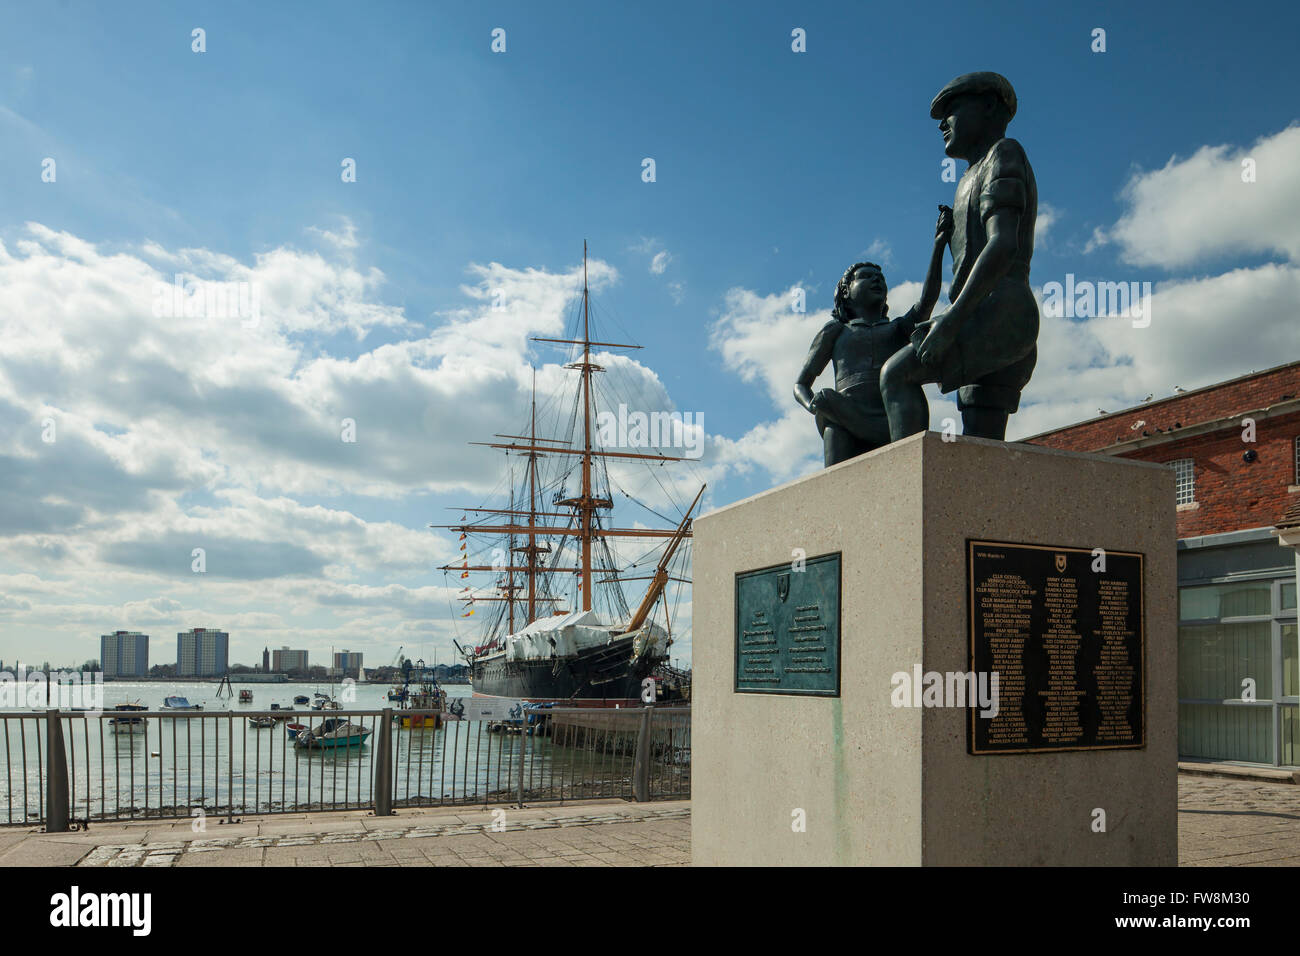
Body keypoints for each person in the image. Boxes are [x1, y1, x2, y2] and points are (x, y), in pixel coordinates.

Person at [880, 71, 1039, 441]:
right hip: (979, 311)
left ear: (987, 106)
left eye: (951, 111)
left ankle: (907, 490)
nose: (942, 125)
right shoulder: (968, 176)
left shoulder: (1004, 152)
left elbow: (1003, 245)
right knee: (982, 450)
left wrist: (951, 322)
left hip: (999, 312)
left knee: (895, 375)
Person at [794, 205, 953, 466]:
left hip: (890, 416)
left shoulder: (897, 328)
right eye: (866, 277)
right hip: (846, 415)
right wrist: (812, 405)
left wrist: (939, 244)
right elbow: (800, 384)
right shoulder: (835, 330)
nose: (877, 281)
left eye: (880, 278)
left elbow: (927, 300)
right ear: (846, 292)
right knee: (831, 419)